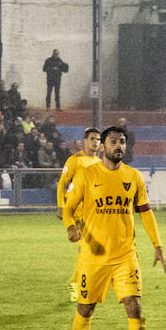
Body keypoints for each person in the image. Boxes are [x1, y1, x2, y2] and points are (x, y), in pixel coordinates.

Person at [61, 126, 166, 330]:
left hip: (125, 256)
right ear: (103, 147)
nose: (119, 145)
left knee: (134, 305)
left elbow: (145, 212)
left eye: (122, 141)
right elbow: (69, 207)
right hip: (92, 257)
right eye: (113, 141)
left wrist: (157, 245)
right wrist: (70, 227)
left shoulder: (133, 177)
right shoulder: (87, 174)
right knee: (85, 308)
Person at [57, 126, 102, 302]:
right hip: (77, 214)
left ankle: (79, 283)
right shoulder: (75, 160)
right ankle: (77, 286)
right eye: (92, 139)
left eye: (98, 139)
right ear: (84, 141)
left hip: (93, 215)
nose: (95, 142)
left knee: (88, 252)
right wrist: (61, 206)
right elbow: (62, 184)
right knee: (86, 250)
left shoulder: (100, 163)